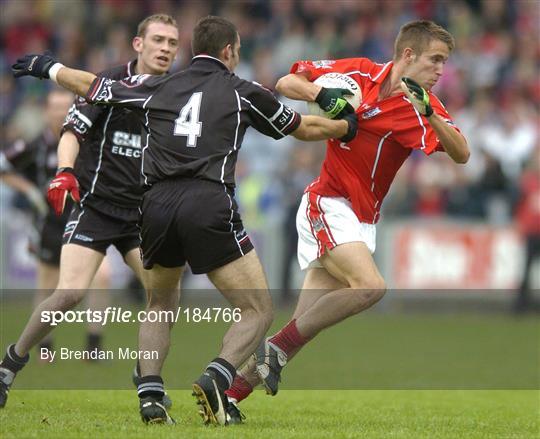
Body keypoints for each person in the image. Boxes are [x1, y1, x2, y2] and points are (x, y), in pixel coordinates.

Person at [9, 15, 358, 425]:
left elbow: (95, 87)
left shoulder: (159, 85)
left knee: (160, 302)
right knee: (258, 309)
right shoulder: (242, 91)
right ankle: (218, 376)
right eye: (239, 49)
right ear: (229, 51)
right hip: (207, 201)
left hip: (153, 205)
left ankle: (151, 395)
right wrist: (346, 126)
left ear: (193, 49)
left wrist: (49, 68)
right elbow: (303, 127)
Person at [223, 20, 470, 420]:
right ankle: (273, 349)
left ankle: (228, 395)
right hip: (327, 202)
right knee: (371, 287)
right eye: (435, 59)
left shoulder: (422, 107)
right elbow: (287, 82)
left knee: (302, 328)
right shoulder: (358, 71)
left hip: (361, 220)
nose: (442, 69)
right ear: (408, 55)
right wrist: (325, 94)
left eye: (445, 62)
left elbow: (462, 153)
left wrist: (433, 115)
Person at [0, 14, 178, 410]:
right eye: (159, 40)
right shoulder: (106, 82)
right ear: (138, 44)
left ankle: (147, 382)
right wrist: (65, 172)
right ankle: (9, 366)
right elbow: (71, 132)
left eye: (172, 42)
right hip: (95, 206)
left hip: (141, 215)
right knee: (70, 293)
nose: (166, 48)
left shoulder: (176, 93)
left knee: (164, 295)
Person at [0, 89, 111, 361]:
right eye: (55, 107)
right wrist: (28, 190)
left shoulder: (85, 141)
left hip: (84, 221)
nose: (61, 112)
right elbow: (4, 166)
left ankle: (93, 345)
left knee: (102, 277)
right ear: (46, 111)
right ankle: (44, 347)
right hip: (49, 225)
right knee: (48, 287)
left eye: (66, 107)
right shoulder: (36, 145)